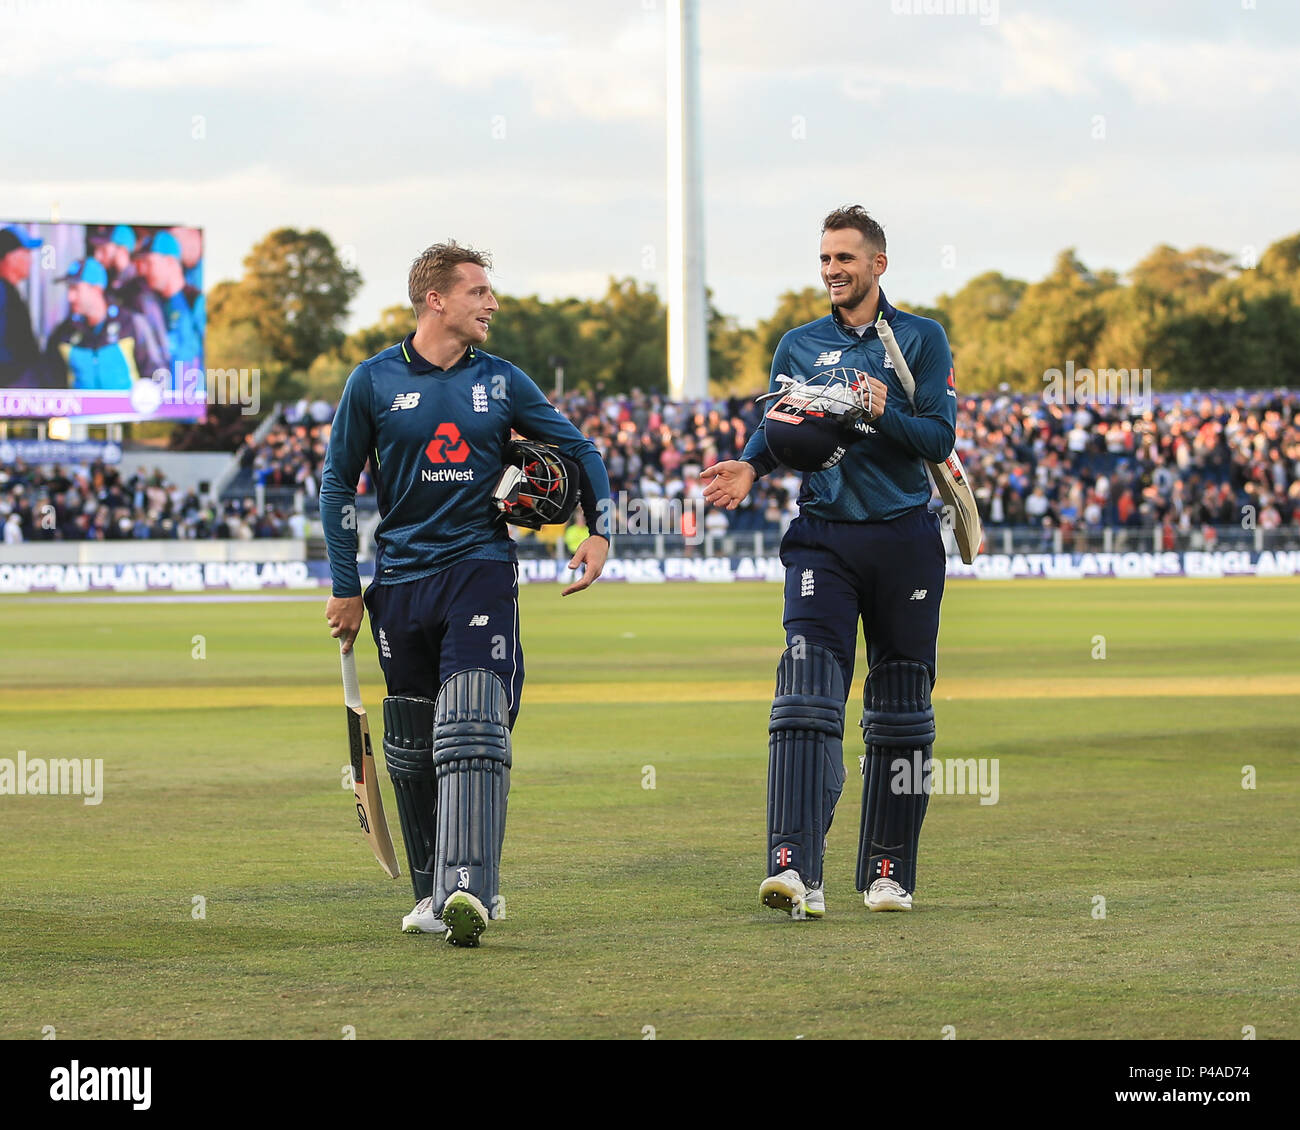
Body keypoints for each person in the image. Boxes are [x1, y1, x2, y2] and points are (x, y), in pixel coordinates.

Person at [320, 241, 611, 947]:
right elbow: (337, 484)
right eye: (479, 291)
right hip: (400, 582)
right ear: (436, 300)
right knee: (412, 745)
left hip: (479, 567)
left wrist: (598, 531)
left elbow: (582, 452)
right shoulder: (373, 381)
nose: (492, 303)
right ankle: (430, 892)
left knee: (473, 721)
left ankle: (472, 887)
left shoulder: (505, 382)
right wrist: (346, 586)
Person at [702, 205, 956, 917]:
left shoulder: (920, 340)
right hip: (823, 535)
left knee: (901, 710)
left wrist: (881, 410)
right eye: (824, 259)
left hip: (904, 538)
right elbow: (779, 427)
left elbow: (937, 438)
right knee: (806, 692)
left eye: (845, 258)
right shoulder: (798, 344)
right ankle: (793, 869)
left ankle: (887, 871)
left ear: (878, 264)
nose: (833, 270)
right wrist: (751, 467)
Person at [45, 259, 165, 391]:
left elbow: (155, 370)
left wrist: (148, 401)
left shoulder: (130, 323)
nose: (70, 297)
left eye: (75, 289)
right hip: (81, 411)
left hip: (126, 411)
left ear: (96, 289)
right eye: (69, 289)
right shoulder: (64, 333)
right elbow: (50, 381)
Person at [0, 225, 44, 386]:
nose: (30, 260)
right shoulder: (2, 292)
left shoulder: (10, 291)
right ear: (10, 257)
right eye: (26, 253)